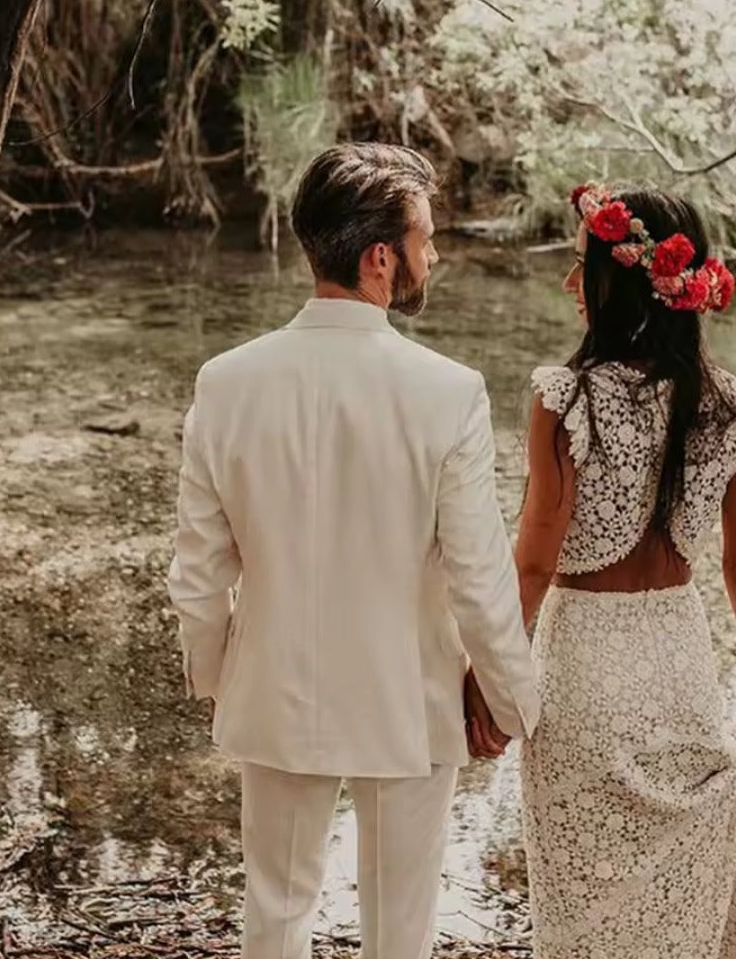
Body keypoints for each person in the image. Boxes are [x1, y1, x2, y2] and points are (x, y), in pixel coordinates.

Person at [167, 142, 539, 959]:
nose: (432, 255)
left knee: (275, 914)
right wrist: (511, 703)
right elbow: (479, 579)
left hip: (273, 690)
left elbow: (199, 574)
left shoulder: (225, 382)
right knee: (401, 926)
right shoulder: (448, 393)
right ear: (381, 258)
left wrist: (219, 677)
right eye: (425, 239)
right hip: (408, 696)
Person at [468, 184, 736, 957]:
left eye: (583, 268)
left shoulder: (564, 394)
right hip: (681, 664)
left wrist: (485, 671)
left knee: (584, 902)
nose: (572, 284)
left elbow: (535, 559)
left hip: (580, 671)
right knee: (674, 895)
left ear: (622, 281)